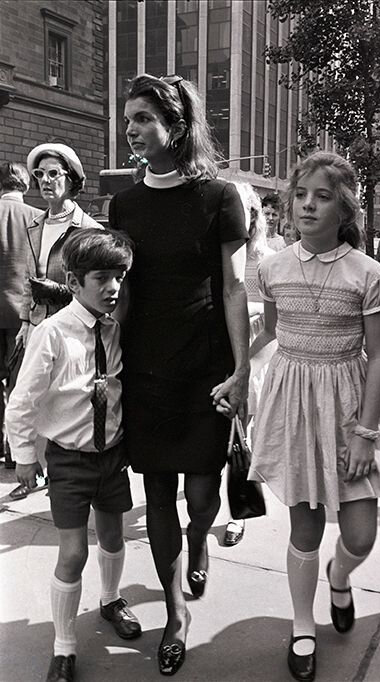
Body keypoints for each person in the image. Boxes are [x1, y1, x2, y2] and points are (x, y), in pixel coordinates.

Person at [109, 74, 250, 676]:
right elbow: (122, 293)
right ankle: (174, 613)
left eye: (142, 118)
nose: (131, 130)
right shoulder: (124, 203)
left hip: (206, 366)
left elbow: (235, 287)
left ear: (177, 126)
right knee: (159, 491)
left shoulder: (221, 197)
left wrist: (243, 371)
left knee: (200, 493)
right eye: (128, 119)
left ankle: (199, 540)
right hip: (147, 368)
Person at [248, 152, 380, 682]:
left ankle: (340, 578)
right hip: (293, 401)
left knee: (360, 536)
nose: (308, 204)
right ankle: (301, 625)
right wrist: (234, 371)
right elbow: (271, 332)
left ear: (346, 209)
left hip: (349, 403)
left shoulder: (371, 274)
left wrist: (365, 433)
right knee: (305, 524)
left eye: (323, 196)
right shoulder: (271, 267)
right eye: (301, 195)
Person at [5, 229, 141, 682]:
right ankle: (63, 646)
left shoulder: (115, 330)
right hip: (68, 459)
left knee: (113, 535)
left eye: (119, 276)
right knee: (73, 551)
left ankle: (110, 599)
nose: (112, 287)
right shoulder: (53, 334)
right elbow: (23, 400)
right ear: (75, 280)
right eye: (101, 277)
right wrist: (24, 455)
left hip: (111, 456)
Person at [9, 143, 103, 501]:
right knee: (31, 394)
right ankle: (32, 467)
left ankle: (63, 479)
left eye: (53, 174)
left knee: (65, 398)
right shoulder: (34, 223)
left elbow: (96, 288)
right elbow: (26, 280)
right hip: (37, 326)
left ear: (71, 179)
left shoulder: (87, 228)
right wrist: (24, 320)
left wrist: (61, 292)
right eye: (39, 175)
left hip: (72, 328)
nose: (46, 181)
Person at [222, 182, 275, 547]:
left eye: (245, 211)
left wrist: (244, 360)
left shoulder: (267, 259)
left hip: (255, 349)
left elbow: (274, 325)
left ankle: (237, 512)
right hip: (221, 346)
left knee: (243, 429)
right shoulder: (220, 256)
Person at [0, 162, 42, 468]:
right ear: (26, 186)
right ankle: (17, 451)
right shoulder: (35, 219)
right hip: (22, 314)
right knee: (20, 383)